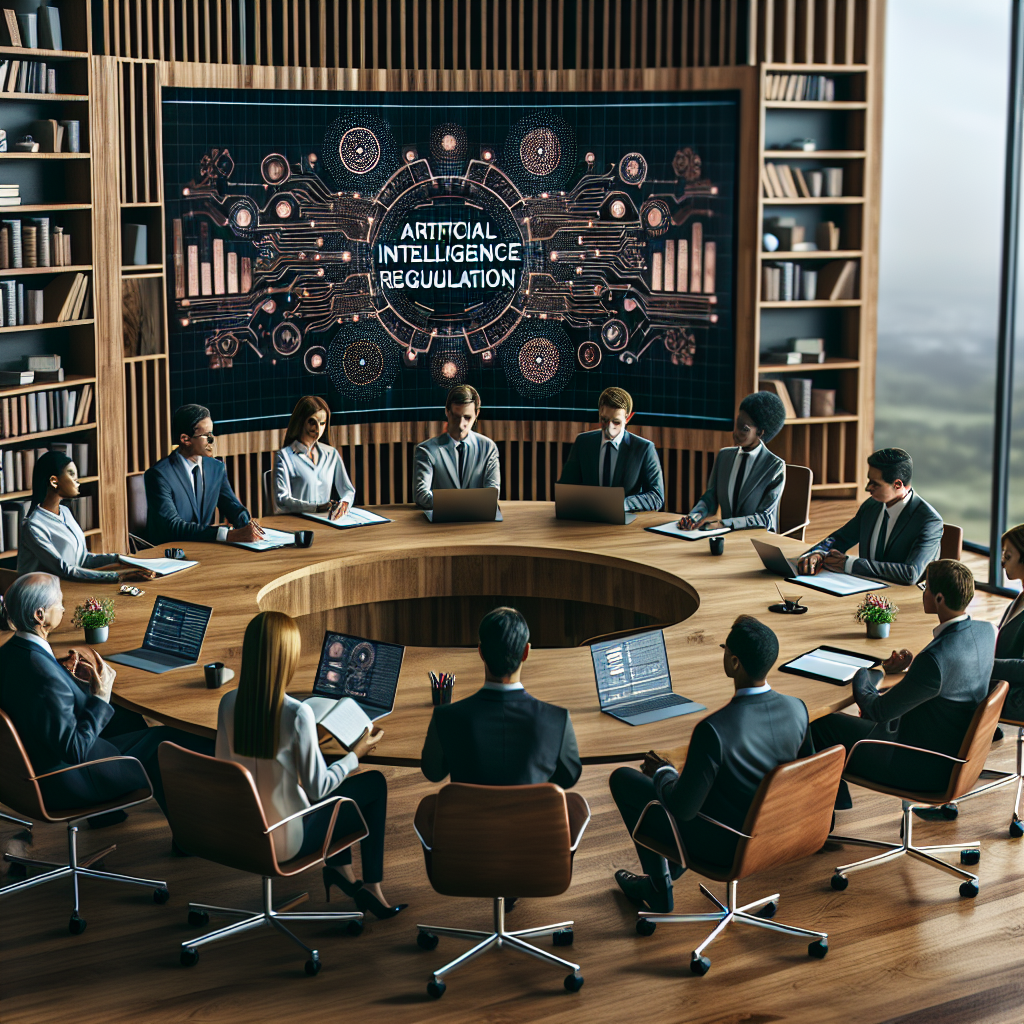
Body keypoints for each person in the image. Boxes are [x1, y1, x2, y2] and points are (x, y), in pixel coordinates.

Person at [609, 615, 812, 913]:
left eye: (724, 650)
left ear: (734, 663)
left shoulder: (715, 730)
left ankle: (657, 886)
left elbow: (682, 808)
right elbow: (805, 774)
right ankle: (669, 869)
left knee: (624, 779)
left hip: (727, 845)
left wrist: (663, 771)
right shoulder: (798, 709)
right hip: (779, 834)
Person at [216, 611, 405, 920]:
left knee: (329, 781)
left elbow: (226, 772)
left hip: (238, 832)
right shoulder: (296, 714)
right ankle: (372, 887)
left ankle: (342, 871)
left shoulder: (229, 703)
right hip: (286, 841)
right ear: (288, 659)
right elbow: (319, 789)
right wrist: (355, 755)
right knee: (373, 784)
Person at [0, 573, 213, 826]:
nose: (64, 608)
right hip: (65, 782)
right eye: (59, 603)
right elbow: (75, 750)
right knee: (164, 740)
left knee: (126, 716)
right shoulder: (45, 677)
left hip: (21, 776)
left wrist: (71, 681)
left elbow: (36, 703)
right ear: (40, 616)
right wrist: (100, 697)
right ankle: (190, 838)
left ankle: (107, 816)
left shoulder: (10, 655)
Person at [811, 559, 996, 809]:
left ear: (940, 598)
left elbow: (877, 711)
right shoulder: (986, 632)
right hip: (954, 759)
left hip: (918, 767)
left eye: (926, 587)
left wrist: (872, 670)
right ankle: (834, 801)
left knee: (818, 724)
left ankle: (823, 812)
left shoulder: (934, 659)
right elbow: (948, 679)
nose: (923, 592)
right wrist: (907, 673)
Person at [420, 606, 582, 788]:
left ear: (480, 652)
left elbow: (433, 773)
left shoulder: (445, 717)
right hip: (532, 816)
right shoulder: (558, 720)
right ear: (526, 652)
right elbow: (569, 778)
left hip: (469, 816)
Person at [797, 447, 942, 586]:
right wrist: (818, 553)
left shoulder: (929, 521)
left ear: (898, 484)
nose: (867, 488)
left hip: (900, 601)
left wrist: (849, 564)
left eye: (875, 484)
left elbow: (910, 573)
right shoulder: (872, 506)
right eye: (869, 480)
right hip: (863, 592)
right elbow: (841, 538)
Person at [18, 451, 155, 584]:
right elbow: (64, 570)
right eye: (71, 474)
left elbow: (84, 560)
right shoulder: (33, 526)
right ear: (54, 481)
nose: (77, 481)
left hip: (72, 586)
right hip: (43, 597)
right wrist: (120, 576)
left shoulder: (65, 512)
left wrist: (119, 559)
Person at [144, 404, 263, 544]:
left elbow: (234, 508)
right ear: (185, 439)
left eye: (212, 433)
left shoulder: (216, 468)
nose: (212, 440)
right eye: (207, 436)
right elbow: (172, 527)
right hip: (170, 554)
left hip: (204, 549)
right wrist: (226, 536)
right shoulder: (159, 475)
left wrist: (246, 525)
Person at [678, 391, 787, 532]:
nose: (735, 433)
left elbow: (765, 518)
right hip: (726, 538)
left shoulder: (774, 467)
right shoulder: (724, 457)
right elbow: (710, 498)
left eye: (744, 429)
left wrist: (723, 524)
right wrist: (695, 516)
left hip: (756, 542)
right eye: (737, 424)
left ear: (761, 433)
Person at [557, 386, 664, 512]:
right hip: (587, 520)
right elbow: (565, 488)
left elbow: (656, 497)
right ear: (599, 414)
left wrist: (621, 504)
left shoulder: (644, 449)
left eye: (616, 422)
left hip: (624, 523)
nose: (609, 428)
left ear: (628, 418)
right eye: (604, 420)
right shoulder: (583, 442)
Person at [413, 385, 500, 509]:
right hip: (442, 523)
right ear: (447, 412)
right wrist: (468, 503)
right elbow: (421, 495)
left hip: (477, 521)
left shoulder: (488, 448)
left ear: (477, 414)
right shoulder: (426, 450)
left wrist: (451, 502)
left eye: (467, 418)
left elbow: (492, 494)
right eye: (456, 416)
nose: (461, 424)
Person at [273, 395, 355, 518]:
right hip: (297, 522)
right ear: (301, 421)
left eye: (322, 423)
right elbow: (282, 499)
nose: (318, 428)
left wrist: (344, 503)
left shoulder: (331, 453)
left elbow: (348, 489)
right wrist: (315, 508)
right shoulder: (284, 456)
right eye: (312, 422)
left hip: (326, 521)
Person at [995, 524, 1024, 721]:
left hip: (1018, 697)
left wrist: (983, 665)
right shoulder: (1020, 597)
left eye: (1008, 556)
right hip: (1006, 684)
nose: (1002, 562)